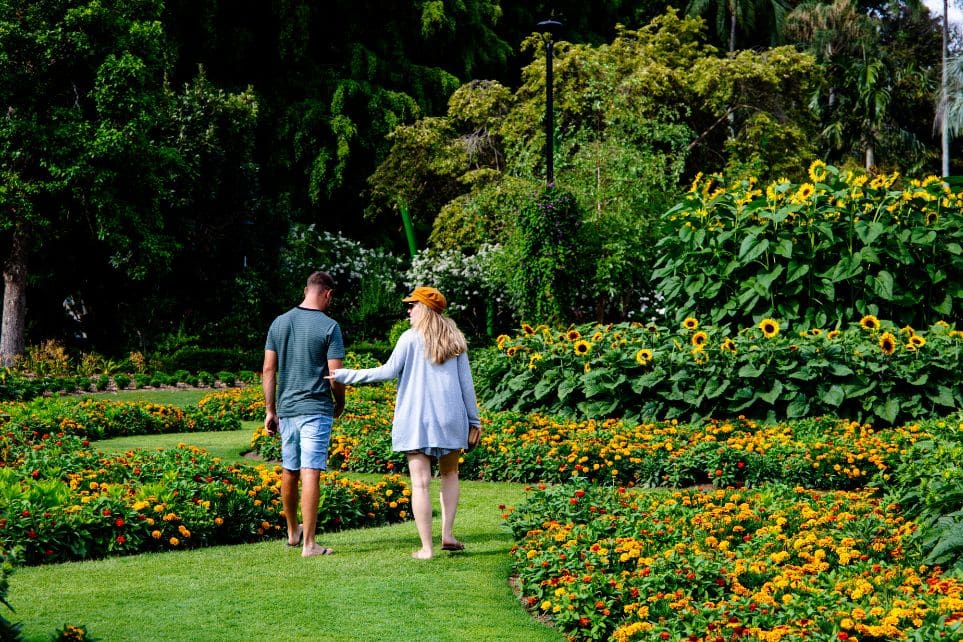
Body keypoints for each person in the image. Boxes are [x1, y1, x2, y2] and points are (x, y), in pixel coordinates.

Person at [327, 286, 481, 559]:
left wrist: (344, 375)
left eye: (412, 305)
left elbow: (386, 372)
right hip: (451, 418)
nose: (408, 310)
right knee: (450, 475)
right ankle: (447, 534)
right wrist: (474, 421)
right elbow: (466, 385)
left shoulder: (409, 338)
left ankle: (427, 548)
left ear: (424, 308)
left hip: (416, 419)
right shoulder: (455, 339)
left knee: (420, 484)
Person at [263, 270, 346, 557]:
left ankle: (292, 533)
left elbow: (268, 370)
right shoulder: (330, 326)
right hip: (316, 409)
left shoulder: (279, 322)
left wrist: (270, 410)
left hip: (286, 409)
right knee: (311, 470)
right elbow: (335, 375)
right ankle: (310, 544)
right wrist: (340, 402)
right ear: (328, 293)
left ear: (305, 289)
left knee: (290, 469)